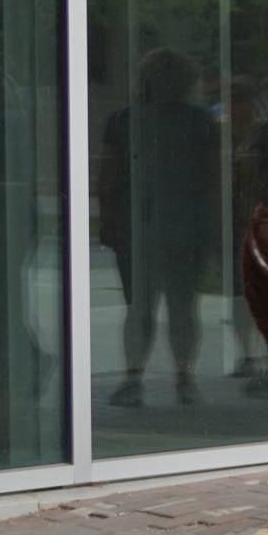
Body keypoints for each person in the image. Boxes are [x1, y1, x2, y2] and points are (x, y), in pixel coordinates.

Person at [97, 47, 218, 407]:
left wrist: (109, 222)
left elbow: (108, 178)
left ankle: (133, 377)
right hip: (185, 225)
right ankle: (184, 378)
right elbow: (214, 178)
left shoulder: (123, 121)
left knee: (139, 307)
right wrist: (214, 225)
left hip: (139, 227)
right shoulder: (200, 122)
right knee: (183, 306)